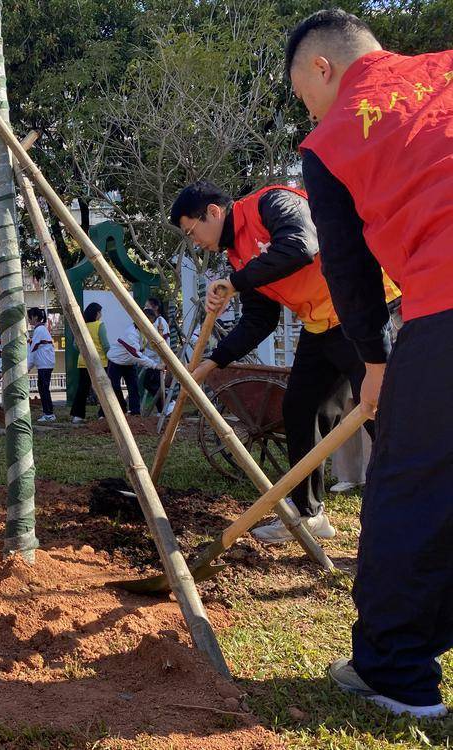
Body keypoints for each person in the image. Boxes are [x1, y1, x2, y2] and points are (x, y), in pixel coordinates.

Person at [287, 9, 452, 718]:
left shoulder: (328, 142)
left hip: (443, 305)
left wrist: (375, 362)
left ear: (323, 68)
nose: (307, 108)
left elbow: (347, 272)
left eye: (301, 93)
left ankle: (392, 672)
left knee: (408, 495)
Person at [170, 179, 399, 544]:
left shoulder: (272, 203)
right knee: (300, 410)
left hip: (364, 312)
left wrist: (235, 282)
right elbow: (260, 319)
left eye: (191, 230)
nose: (194, 240)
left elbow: (301, 245)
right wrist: (213, 362)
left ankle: (414, 519)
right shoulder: (237, 257)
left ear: (212, 212)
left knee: (386, 417)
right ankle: (310, 515)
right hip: (320, 326)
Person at [106, 318, 160, 415]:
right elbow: (136, 354)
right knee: (114, 387)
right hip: (116, 362)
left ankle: (135, 412)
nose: (151, 327)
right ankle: (120, 410)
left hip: (130, 363)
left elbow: (146, 349)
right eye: (150, 324)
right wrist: (154, 365)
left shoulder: (144, 333)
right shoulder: (130, 334)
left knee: (133, 387)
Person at [70, 302, 110, 423]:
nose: (101, 315)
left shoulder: (82, 326)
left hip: (84, 362)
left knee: (83, 388)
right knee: (103, 389)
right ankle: (103, 414)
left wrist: (84, 351)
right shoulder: (100, 325)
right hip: (100, 362)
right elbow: (106, 345)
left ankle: (78, 415)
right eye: (100, 312)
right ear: (96, 313)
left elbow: (75, 345)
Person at [27, 307, 56, 422]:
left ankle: (48, 413)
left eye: (29, 317)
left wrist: (27, 367)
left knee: (43, 389)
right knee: (44, 389)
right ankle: (49, 412)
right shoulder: (41, 330)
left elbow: (33, 350)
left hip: (44, 364)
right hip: (45, 364)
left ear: (35, 317)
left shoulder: (39, 330)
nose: (28, 320)